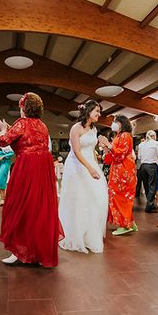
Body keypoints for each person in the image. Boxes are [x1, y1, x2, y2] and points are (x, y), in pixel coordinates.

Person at [0, 92, 62, 266]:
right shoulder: (43, 125)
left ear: (23, 108)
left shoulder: (22, 123)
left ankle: (19, 251)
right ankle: (39, 251)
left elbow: (3, 141)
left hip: (28, 166)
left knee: (19, 206)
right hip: (43, 166)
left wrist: (3, 129)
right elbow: (27, 138)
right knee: (40, 207)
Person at [58, 100, 108, 253]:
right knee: (78, 199)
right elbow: (77, 152)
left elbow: (91, 150)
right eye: (97, 111)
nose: (99, 114)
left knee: (96, 198)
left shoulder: (94, 130)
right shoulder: (76, 128)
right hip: (76, 167)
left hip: (91, 165)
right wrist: (90, 169)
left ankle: (89, 233)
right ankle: (75, 233)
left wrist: (97, 163)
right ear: (88, 112)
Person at [98, 115, 137, 236]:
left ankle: (124, 225)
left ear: (122, 123)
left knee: (121, 198)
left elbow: (120, 154)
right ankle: (130, 223)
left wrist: (108, 145)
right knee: (121, 197)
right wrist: (105, 147)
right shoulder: (118, 136)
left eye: (115, 122)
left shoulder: (125, 135)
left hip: (124, 171)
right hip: (118, 170)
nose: (113, 124)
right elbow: (112, 156)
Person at [137, 130, 158, 213]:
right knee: (152, 186)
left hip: (143, 166)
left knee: (147, 186)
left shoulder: (141, 145)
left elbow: (139, 157)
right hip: (152, 166)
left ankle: (150, 204)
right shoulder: (156, 144)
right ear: (154, 136)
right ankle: (149, 206)